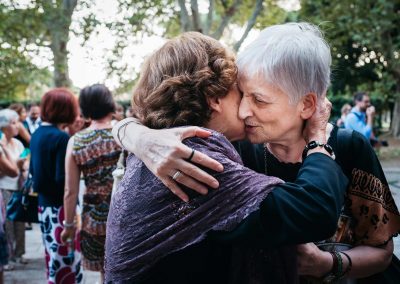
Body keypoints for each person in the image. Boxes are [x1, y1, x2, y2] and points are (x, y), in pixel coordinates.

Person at [114, 23, 400, 283]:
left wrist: (328, 263)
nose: (244, 111)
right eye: (241, 94)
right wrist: (136, 135)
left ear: (307, 104)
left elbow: (382, 251)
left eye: (259, 100)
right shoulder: (228, 150)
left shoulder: (349, 146)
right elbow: (313, 210)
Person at [61, 84, 121, 283]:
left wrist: (68, 225)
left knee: (105, 271)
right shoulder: (125, 135)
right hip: (125, 212)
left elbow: (70, 191)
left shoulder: (76, 141)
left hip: (95, 217)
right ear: (109, 103)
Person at [30, 89, 83, 283]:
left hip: (44, 208)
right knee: (66, 263)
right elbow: (65, 183)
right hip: (61, 210)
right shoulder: (61, 138)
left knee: (53, 260)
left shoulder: (37, 134)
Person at [0, 109, 27, 267]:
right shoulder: (1, 145)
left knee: (20, 223)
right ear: (4, 126)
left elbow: (26, 160)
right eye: (14, 123)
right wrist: (17, 166)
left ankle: (20, 253)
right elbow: (10, 170)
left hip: (19, 187)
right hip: (4, 188)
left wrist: (23, 166)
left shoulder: (17, 143)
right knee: (7, 224)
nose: (18, 126)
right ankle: (8, 257)